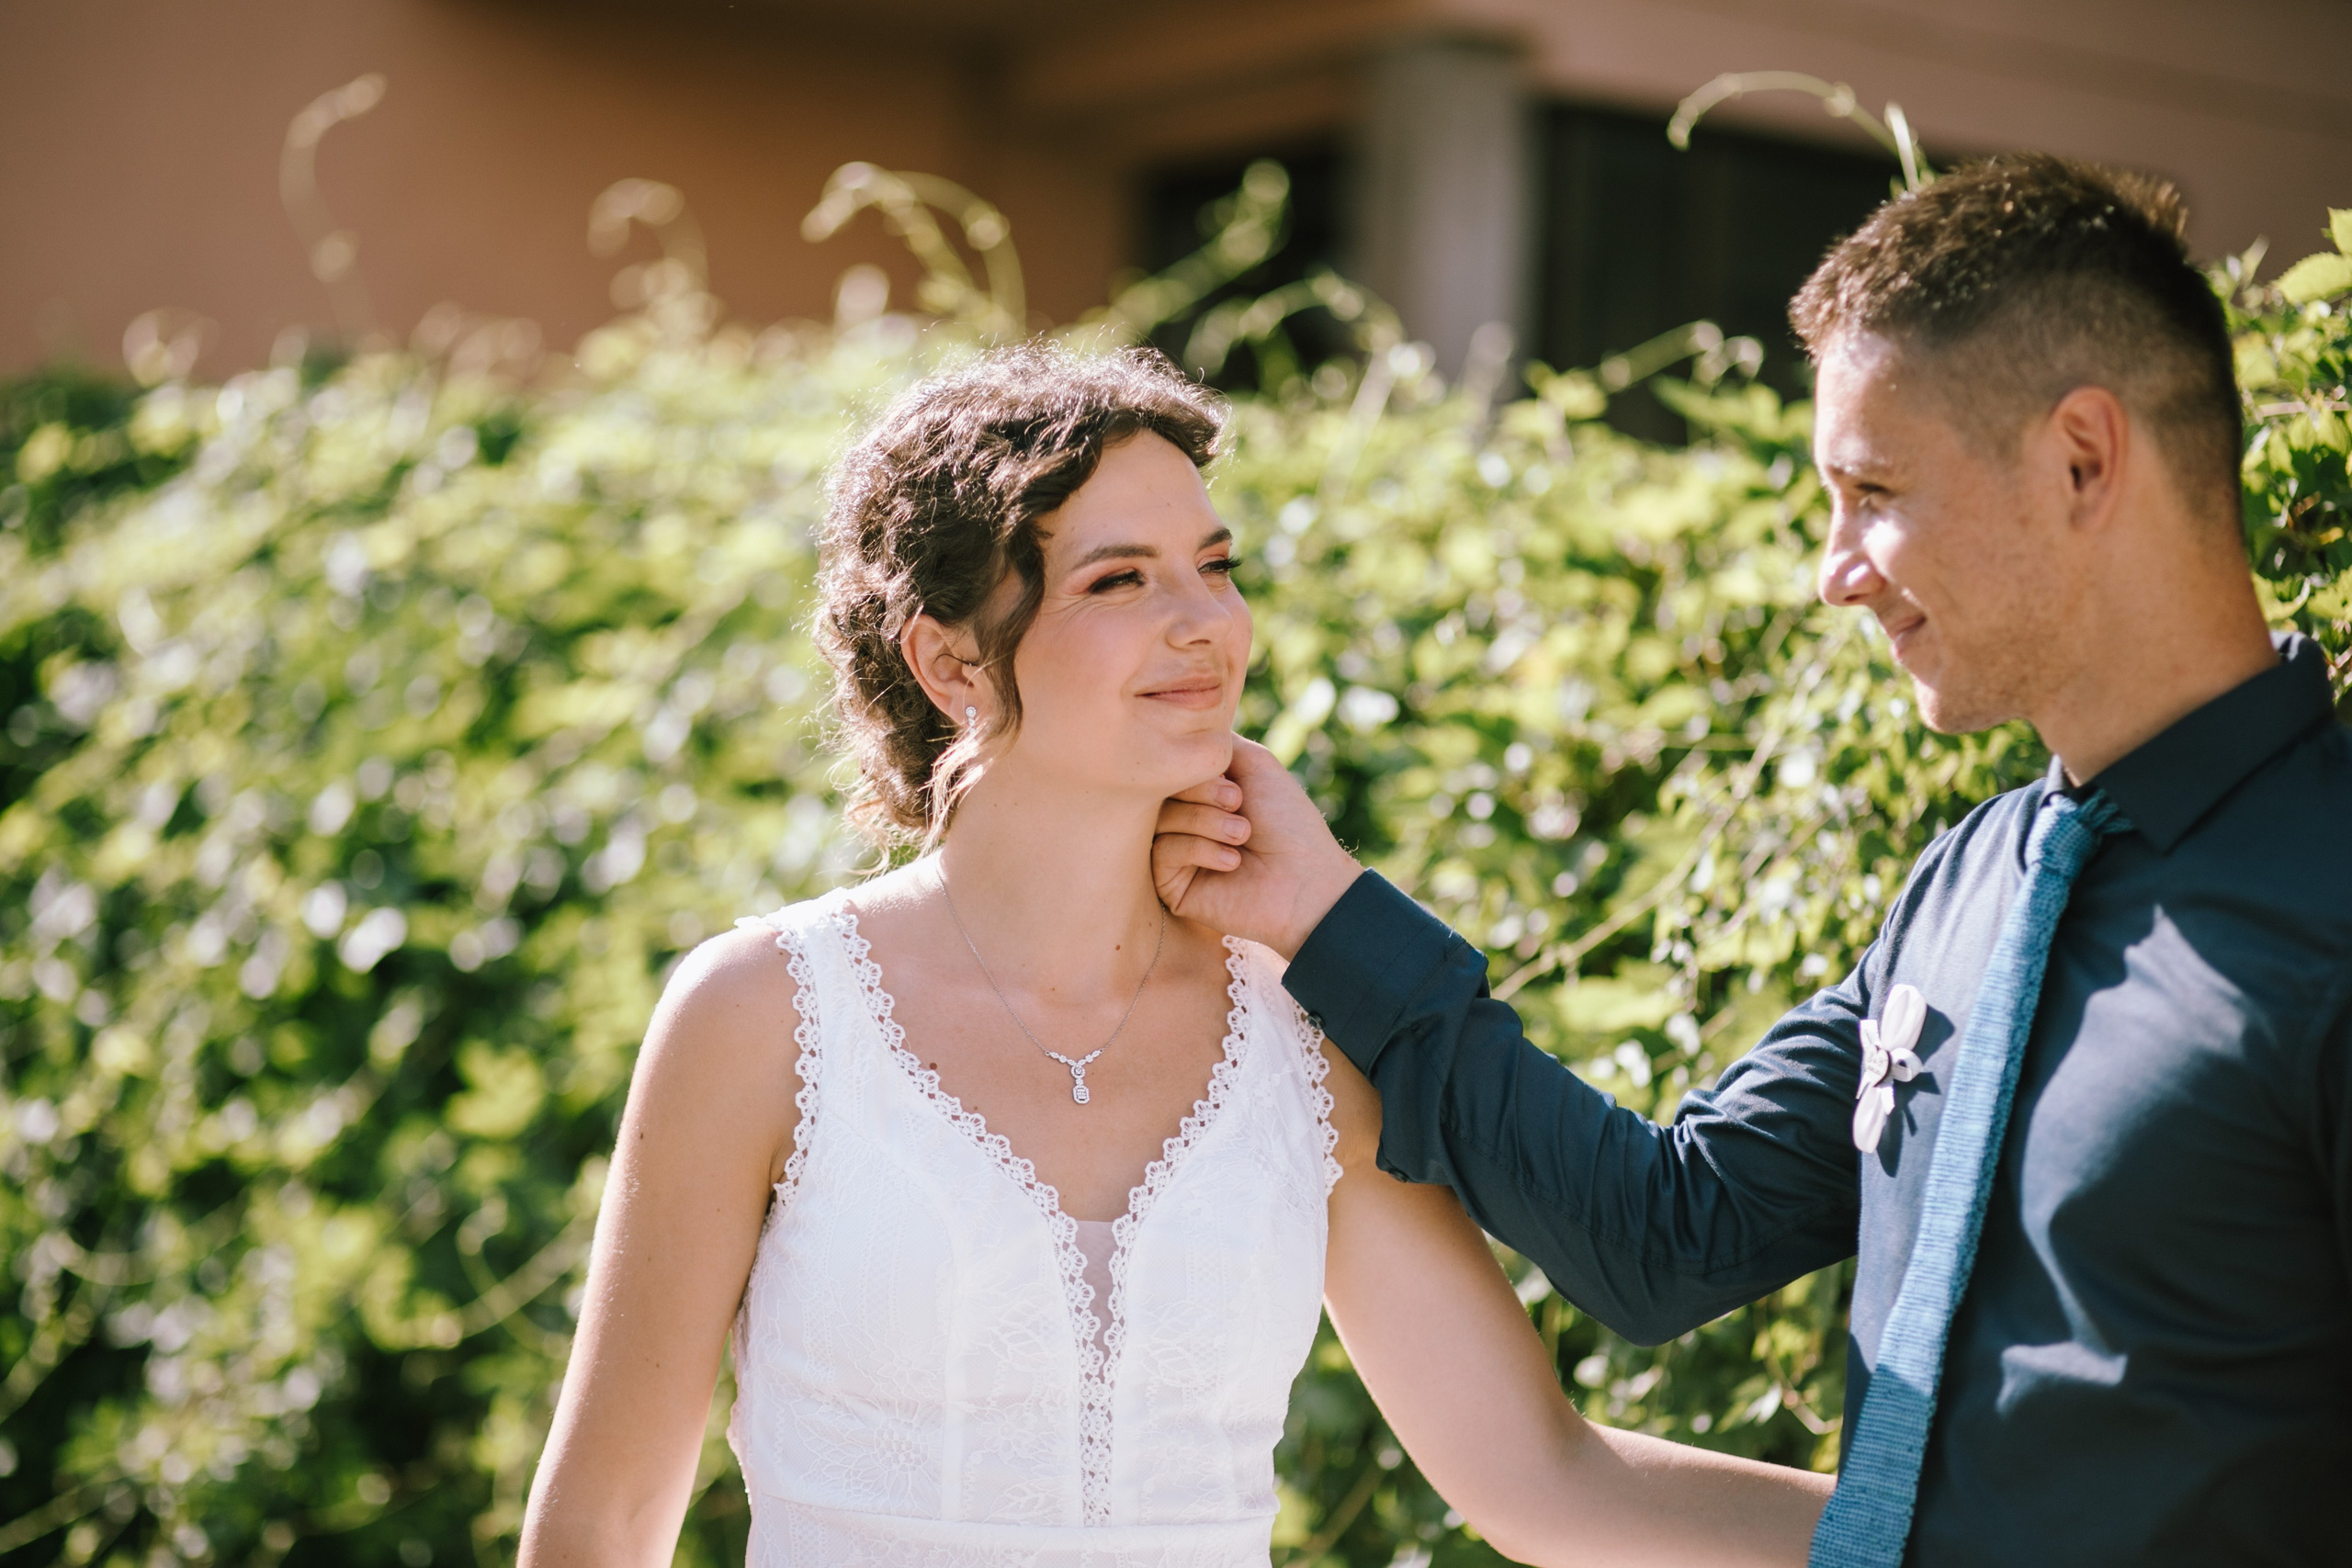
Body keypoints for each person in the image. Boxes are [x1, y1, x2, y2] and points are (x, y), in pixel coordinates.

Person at [1151, 155, 2352, 1567]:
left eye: (1876, 490)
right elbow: (1665, 1235)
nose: (1834, 570)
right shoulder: (1969, 889)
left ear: (2084, 459)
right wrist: (1324, 914)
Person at [516, 344, 1831, 1567]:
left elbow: (1548, 1479)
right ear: (948, 659)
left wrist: (1960, 1529)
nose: (1205, 621)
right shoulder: (764, 1016)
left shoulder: (1304, 1040)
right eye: (1119, 579)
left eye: (1216, 564)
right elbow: (605, 1525)